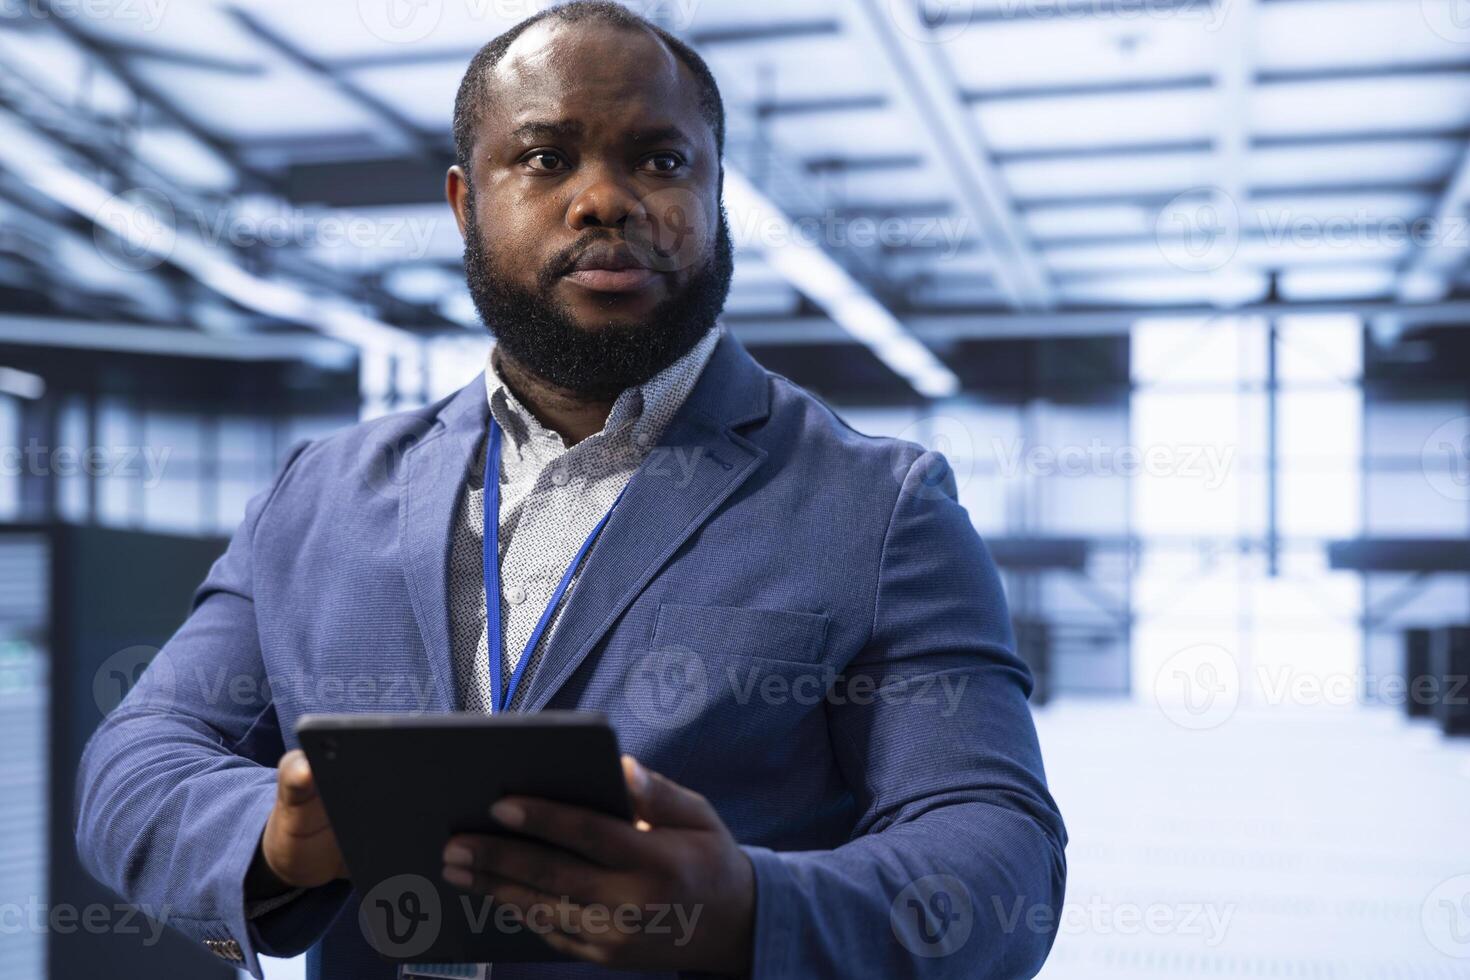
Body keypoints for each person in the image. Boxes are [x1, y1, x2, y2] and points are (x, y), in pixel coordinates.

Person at [75, 3, 1066, 977]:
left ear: (718, 195)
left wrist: (751, 912)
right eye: (546, 158)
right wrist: (271, 837)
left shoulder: (880, 506)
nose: (605, 201)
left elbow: (996, 844)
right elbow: (139, 756)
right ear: (466, 203)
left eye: (662, 161)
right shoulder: (318, 495)